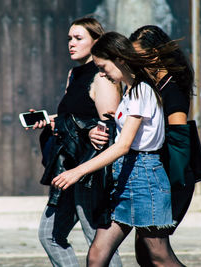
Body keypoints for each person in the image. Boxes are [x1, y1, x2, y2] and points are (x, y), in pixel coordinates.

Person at [52, 31, 184, 267]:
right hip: (126, 177)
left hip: (145, 178)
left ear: (119, 59)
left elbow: (124, 146)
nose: (101, 73)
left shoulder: (142, 90)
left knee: (159, 257)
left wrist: (78, 171)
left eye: (103, 67)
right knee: (97, 255)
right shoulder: (130, 91)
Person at [89, 26, 195, 266]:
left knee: (155, 255)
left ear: (155, 55)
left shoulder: (170, 88)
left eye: (138, 55)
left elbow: (179, 142)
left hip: (162, 174)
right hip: (137, 173)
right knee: (143, 255)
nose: (132, 60)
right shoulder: (140, 86)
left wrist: (170, 183)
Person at [30, 17, 122, 267]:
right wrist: (51, 121)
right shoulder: (74, 74)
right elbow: (74, 116)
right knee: (50, 235)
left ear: (96, 41)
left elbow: (109, 126)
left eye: (78, 38)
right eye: (70, 38)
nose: (71, 43)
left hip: (89, 169)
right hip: (66, 165)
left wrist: (93, 131)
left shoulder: (103, 76)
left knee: (98, 240)